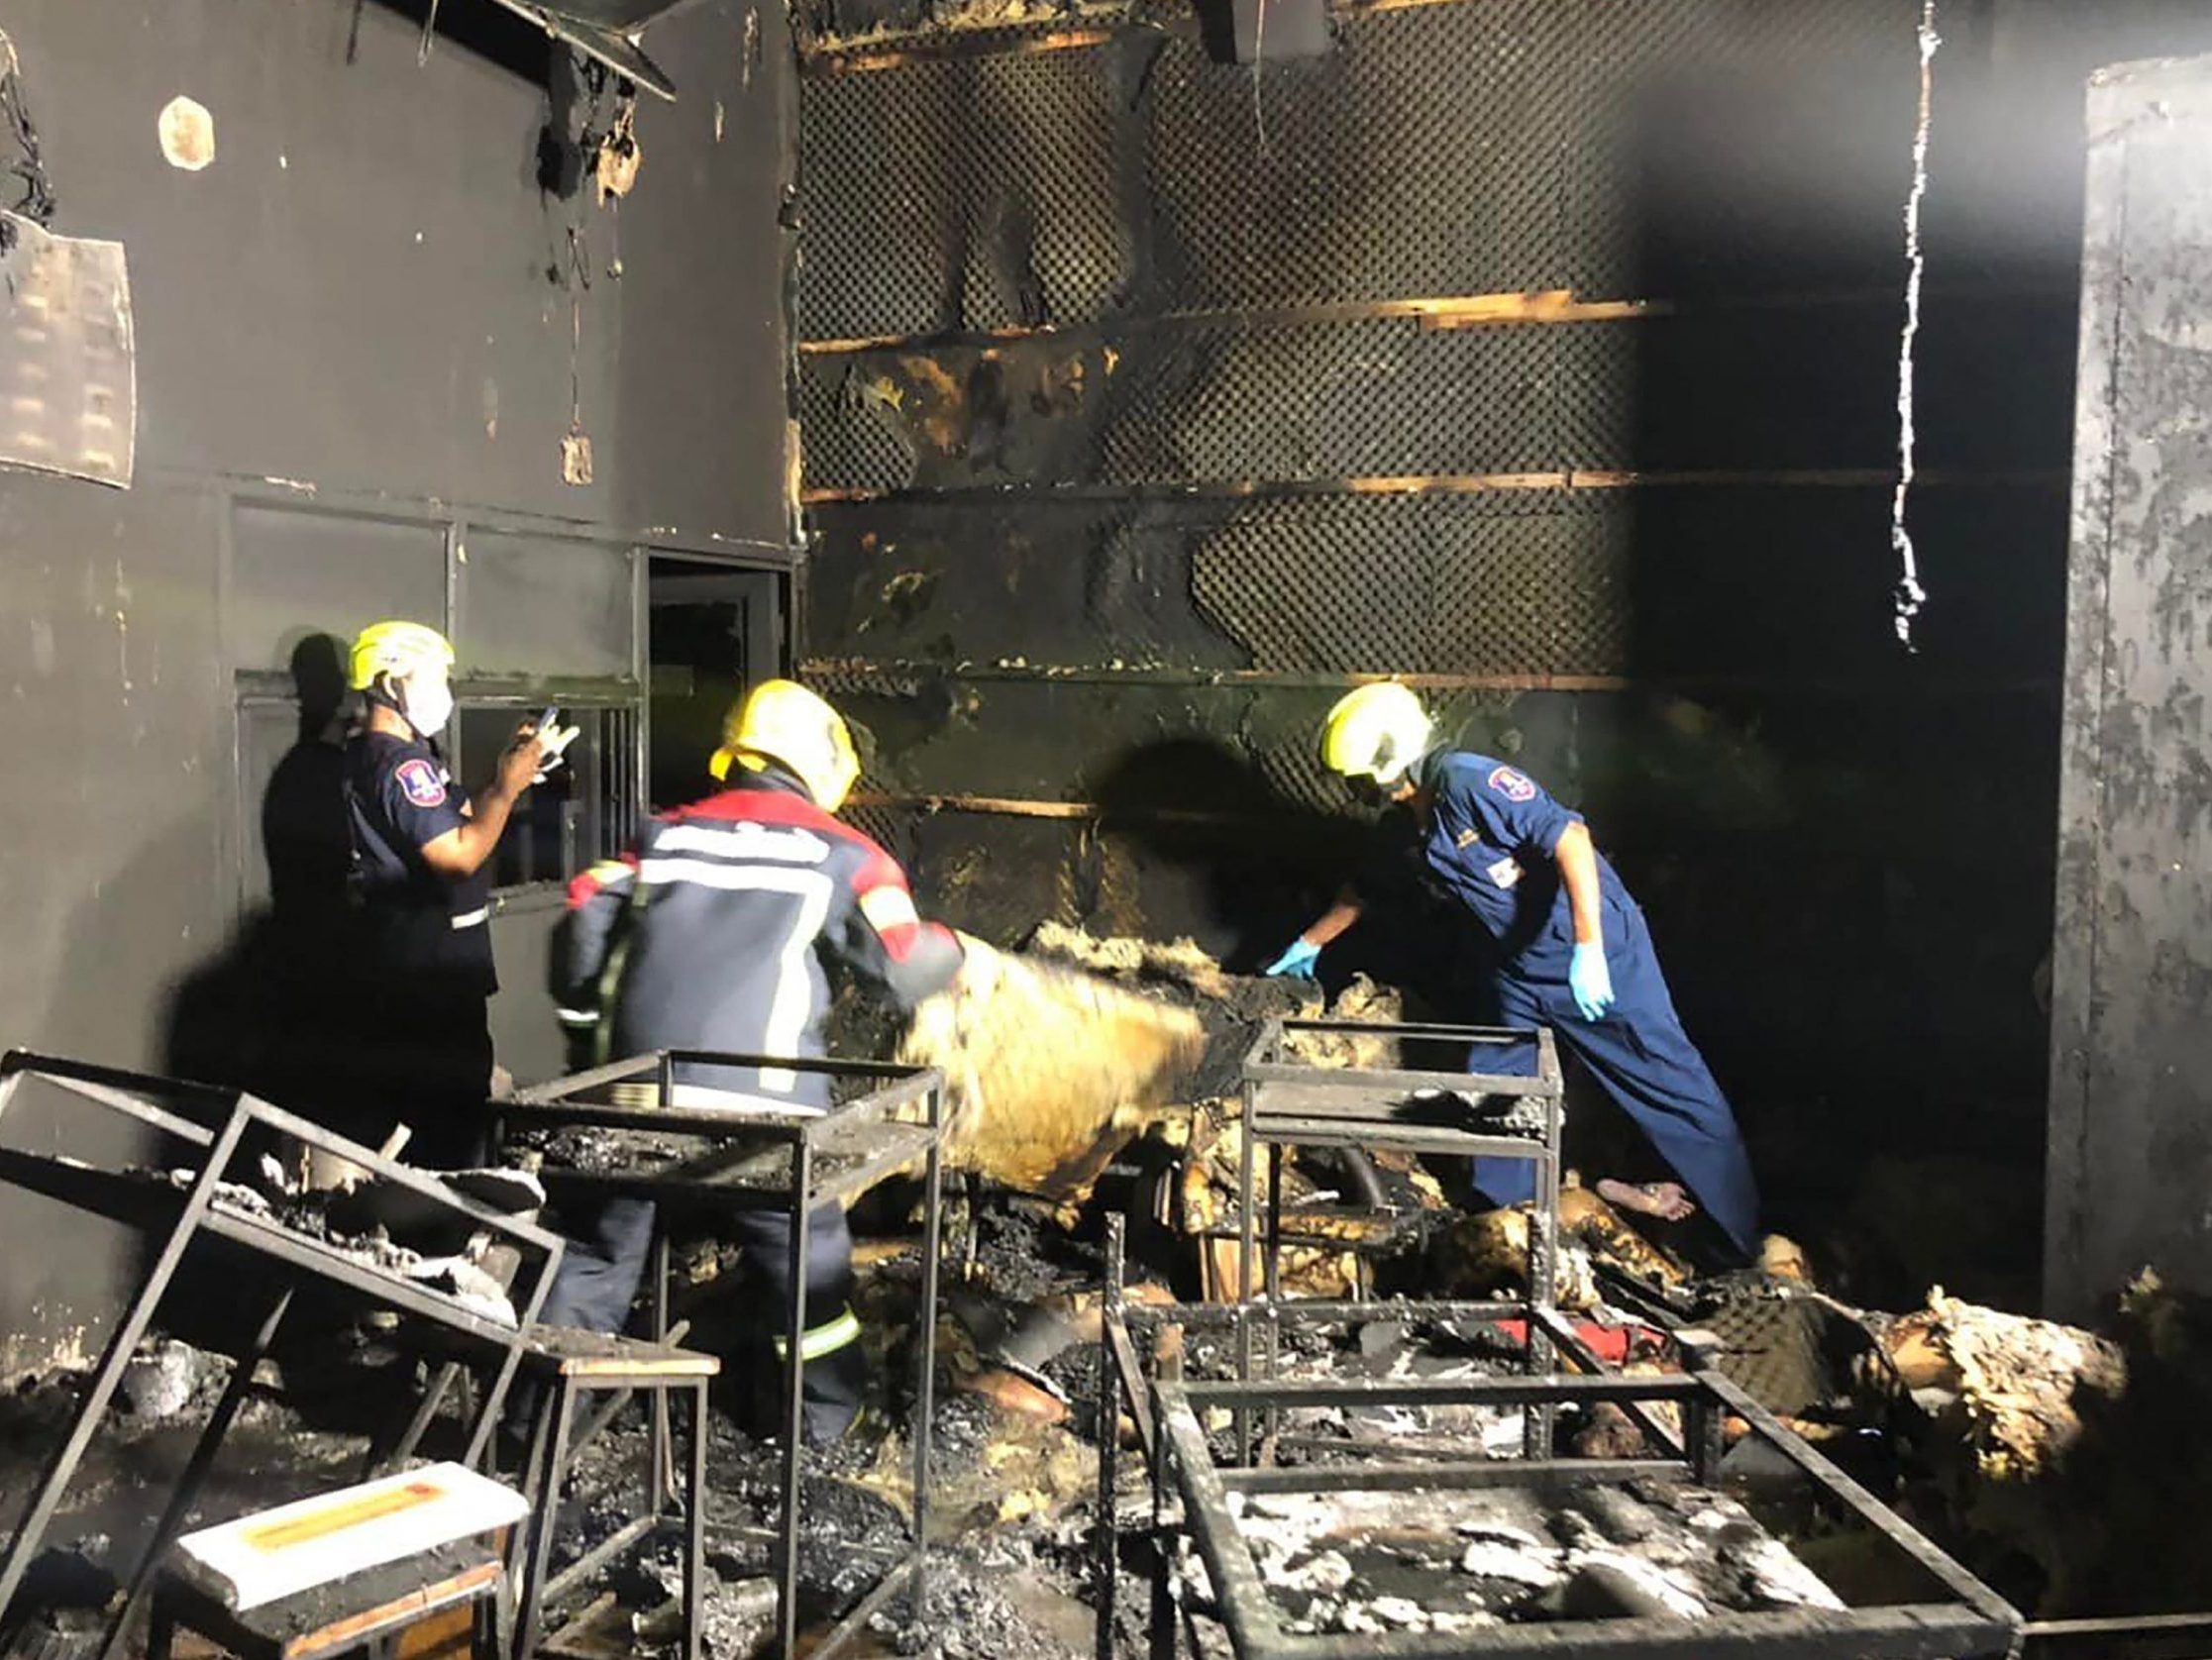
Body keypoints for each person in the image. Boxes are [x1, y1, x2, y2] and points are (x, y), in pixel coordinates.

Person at [540, 678, 965, 1445]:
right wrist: (956, 952)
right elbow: (903, 965)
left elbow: (579, 916)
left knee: (594, 1260)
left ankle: (537, 1436)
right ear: (825, 767)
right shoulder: (845, 855)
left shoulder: (659, 837)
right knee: (807, 1270)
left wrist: (587, 1037)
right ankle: (826, 1435)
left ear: (734, 755)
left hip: (632, 1102)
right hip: (762, 1115)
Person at [1266, 682, 1759, 1261]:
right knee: (1502, 1085)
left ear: (1388, 763)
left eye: (1358, 779)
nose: (1357, 792)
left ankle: (1743, 1242)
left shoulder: (1470, 780)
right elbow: (1365, 891)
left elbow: (1571, 839)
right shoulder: (1408, 827)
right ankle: (1510, 1225)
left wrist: (1589, 949)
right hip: (1518, 969)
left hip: (1594, 956)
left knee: (1669, 1083)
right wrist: (1304, 947)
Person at [334, 620, 572, 1170]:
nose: (443, 691)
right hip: (429, 983)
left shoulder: (383, 756)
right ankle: (444, 1232)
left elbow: (456, 813)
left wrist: (506, 776)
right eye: (433, 677)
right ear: (390, 683)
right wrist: (508, 790)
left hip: (411, 971)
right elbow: (459, 851)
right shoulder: (400, 763)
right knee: (450, 1127)